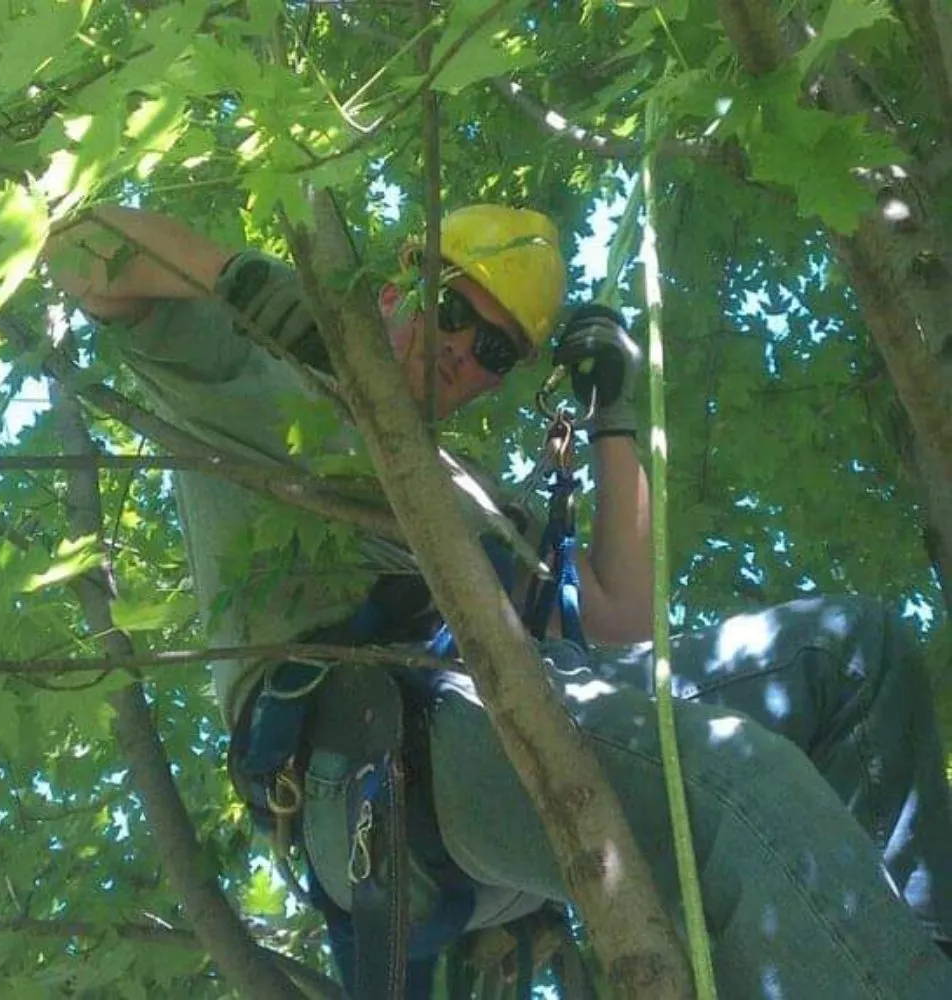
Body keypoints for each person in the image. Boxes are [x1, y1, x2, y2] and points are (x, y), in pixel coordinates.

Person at [46, 203, 952, 999]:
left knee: (853, 650)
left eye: (491, 349)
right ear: (400, 282)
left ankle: (909, 963)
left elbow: (621, 636)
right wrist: (249, 286)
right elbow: (78, 247)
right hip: (373, 758)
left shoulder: (481, 498)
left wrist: (617, 421)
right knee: (739, 780)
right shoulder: (255, 371)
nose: (457, 349)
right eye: (451, 308)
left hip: (517, 716)